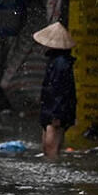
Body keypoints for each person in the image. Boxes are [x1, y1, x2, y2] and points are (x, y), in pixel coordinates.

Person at [34, 21, 76, 159]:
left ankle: (53, 166)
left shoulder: (60, 63)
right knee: (49, 144)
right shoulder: (57, 61)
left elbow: (59, 89)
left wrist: (56, 115)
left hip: (56, 108)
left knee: (51, 147)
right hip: (54, 107)